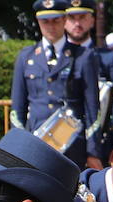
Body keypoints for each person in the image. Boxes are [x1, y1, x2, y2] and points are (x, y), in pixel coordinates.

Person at [10, 0, 103, 170]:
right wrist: (19, 148)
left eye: (56, 20)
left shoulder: (83, 56)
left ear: (65, 20)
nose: (51, 26)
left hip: (73, 144)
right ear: (38, 22)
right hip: (37, 142)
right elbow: (17, 109)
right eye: (46, 21)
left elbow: (92, 109)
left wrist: (93, 152)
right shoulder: (26, 57)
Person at [65, 0, 113, 159]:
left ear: (92, 20)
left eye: (82, 17)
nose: (77, 23)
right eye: (72, 18)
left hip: (100, 139)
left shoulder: (107, 58)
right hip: (63, 137)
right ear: (64, 21)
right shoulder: (55, 58)